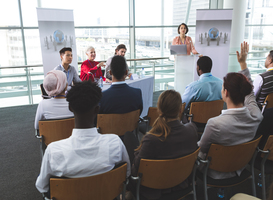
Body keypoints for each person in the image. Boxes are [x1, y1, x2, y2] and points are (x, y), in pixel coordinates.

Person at [35, 81, 131, 195]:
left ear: (70, 108)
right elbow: (126, 174)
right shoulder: (115, 143)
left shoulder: (53, 150)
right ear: (97, 109)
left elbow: (43, 187)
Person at [198, 42, 263, 179]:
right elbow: (249, 93)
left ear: (225, 93)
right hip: (240, 166)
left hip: (215, 172)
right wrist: (243, 64)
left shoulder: (214, 124)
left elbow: (201, 149)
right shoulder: (256, 115)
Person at [127, 90, 198, 199]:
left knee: (129, 138)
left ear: (159, 110)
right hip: (181, 184)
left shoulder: (151, 139)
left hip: (153, 191)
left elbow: (137, 169)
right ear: (180, 109)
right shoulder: (192, 130)